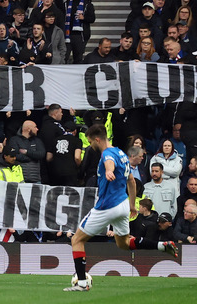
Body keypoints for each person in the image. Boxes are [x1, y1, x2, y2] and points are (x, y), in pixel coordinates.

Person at [66, 124, 177, 292]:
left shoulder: (107, 154)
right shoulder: (121, 154)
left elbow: (109, 163)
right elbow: (131, 181)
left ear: (97, 139)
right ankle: (161, 245)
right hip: (123, 205)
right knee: (124, 243)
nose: (90, 146)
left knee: (77, 240)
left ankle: (81, 283)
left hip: (106, 206)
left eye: (90, 142)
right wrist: (132, 204)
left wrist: (109, 171)